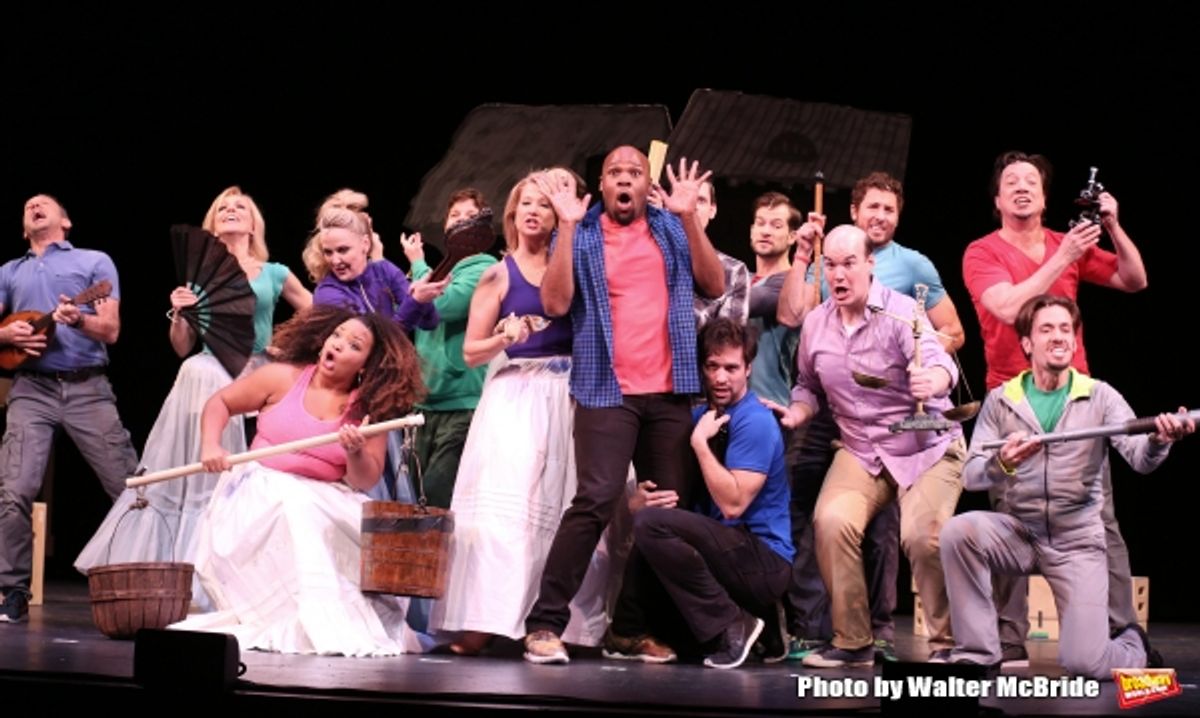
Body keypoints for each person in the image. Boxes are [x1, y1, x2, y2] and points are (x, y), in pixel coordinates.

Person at [522, 146, 725, 664]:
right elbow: (554, 304)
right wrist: (565, 227)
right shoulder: (582, 230)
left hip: (670, 391)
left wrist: (688, 218)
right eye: (615, 173)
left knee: (666, 516)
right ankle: (545, 624)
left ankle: (628, 629)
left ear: (645, 181)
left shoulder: (671, 226)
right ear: (604, 184)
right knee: (595, 499)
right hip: (605, 389)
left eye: (634, 172)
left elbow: (714, 284)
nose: (625, 181)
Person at [75, 187, 311, 610]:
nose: (232, 211)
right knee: (196, 369)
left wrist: (286, 346)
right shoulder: (199, 275)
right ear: (212, 223)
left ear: (255, 223)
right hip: (213, 367)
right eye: (223, 208)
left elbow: (314, 313)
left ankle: (233, 546)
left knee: (221, 379)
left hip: (259, 370)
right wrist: (181, 311)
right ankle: (188, 556)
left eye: (240, 207)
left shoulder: (274, 272)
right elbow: (182, 346)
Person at [942, 294, 1190, 678]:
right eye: (1046, 329)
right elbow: (972, 475)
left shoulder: (1099, 395)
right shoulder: (1001, 400)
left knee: (1083, 663)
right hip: (1021, 532)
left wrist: (1159, 441)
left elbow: (1140, 460)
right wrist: (1003, 462)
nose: (1058, 337)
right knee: (959, 531)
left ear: (1074, 342)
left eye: (1065, 329)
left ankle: (1132, 646)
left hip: (1077, 542)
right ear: (1027, 344)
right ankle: (978, 653)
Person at [962, 151, 1148, 662]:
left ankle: (1121, 634)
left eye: (1032, 183)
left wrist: (1113, 226)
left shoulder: (1063, 244)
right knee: (1009, 518)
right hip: (1012, 399)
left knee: (1099, 521)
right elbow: (1005, 308)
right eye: (1011, 182)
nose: (1022, 188)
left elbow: (1135, 280)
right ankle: (1010, 642)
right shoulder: (982, 251)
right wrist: (1064, 257)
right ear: (998, 198)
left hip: (1077, 402)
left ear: (1045, 199)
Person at [431, 168, 620, 655]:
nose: (534, 211)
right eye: (526, 204)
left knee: (568, 506)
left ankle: (566, 623)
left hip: (571, 392)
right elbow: (470, 351)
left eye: (543, 203)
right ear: (513, 216)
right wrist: (504, 337)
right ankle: (485, 618)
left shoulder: (573, 263)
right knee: (505, 509)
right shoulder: (497, 273)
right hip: (516, 395)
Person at [171, 305, 427, 656]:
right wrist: (211, 445)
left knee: (354, 527)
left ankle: (330, 618)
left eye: (354, 344)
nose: (338, 345)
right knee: (296, 509)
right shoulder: (282, 377)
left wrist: (354, 451)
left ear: (367, 364)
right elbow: (220, 403)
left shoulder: (371, 407)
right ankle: (295, 614)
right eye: (337, 336)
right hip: (263, 487)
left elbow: (364, 479)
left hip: (327, 494)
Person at [767, 225, 964, 667]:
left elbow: (938, 361)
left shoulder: (900, 314)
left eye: (848, 263)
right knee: (832, 520)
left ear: (869, 265)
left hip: (925, 445)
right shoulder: (816, 324)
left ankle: (949, 644)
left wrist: (936, 378)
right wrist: (797, 413)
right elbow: (806, 386)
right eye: (830, 265)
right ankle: (853, 640)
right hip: (862, 448)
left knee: (922, 536)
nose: (838, 274)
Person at [607, 318, 793, 669]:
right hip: (722, 554)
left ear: (748, 369)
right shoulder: (699, 415)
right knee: (652, 527)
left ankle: (734, 623)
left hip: (762, 560)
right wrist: (635, 502)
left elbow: (733, 504)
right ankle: (761, 627)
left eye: (731, 368)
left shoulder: (754, 419)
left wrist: (699, 444)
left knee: (654, 526)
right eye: (712, 366)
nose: (721, 378)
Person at [0, 194, 140, 622]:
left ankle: (142, 581)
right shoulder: (9, 271)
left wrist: (78, 319)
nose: (35, 205)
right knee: (14, 490)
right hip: (30, 389)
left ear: (66, 220)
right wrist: (7, 336)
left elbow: (111, 330)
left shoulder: (95, 262)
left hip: (88, 389)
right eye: (28, 205)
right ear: (26, 227)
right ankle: (12, 591)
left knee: (131, 489)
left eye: (45, 203)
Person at [400, 188, 498, 508]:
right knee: (413, 496)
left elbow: (446, 305)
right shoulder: (440, 271)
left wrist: (417, 266)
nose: (461, 223)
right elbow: (411, 314)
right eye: (455, 216)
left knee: (438, 494)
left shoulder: (484, 267)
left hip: (461, 403)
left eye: (470, 217)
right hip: (425, 402)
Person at [306, 206, 445, 331]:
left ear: (365, 244)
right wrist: (415, 301)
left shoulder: (383, 270)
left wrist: (424, 298)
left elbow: (429, 323)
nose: (335, 260)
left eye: (343, 250)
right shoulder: (327, 293)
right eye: (328, 252)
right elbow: (371, 342)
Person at [689, 179, 750, 327]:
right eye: (684, 198)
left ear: (712, 210)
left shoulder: (734, 270)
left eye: (701, 200)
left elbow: (727, 343)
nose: (691, 207)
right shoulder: (651, 256)